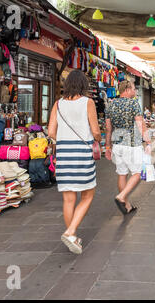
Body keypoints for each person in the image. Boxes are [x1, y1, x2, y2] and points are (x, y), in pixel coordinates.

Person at [48, 70, 101, 255]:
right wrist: (99, 138)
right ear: (83, 85)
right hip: (82, 153)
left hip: (63, 154)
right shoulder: (88, 102)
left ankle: (72, 237)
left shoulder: (58, 104)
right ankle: (70, 232)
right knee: (87, 195)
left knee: (68, 198)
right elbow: (95, 131)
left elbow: (51, 132)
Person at [105, 80, 152, 215]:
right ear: (127, 89)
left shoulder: (110, 105)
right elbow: (140, 124)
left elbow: (108, 129)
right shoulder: (133, 103)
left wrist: (107, 147)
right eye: (133, 89)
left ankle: (127, 205)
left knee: (122, 174)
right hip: (131, 144)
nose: (135, 91)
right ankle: (121, 196)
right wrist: (148, 142)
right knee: (137, 173)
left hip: (117, 145)